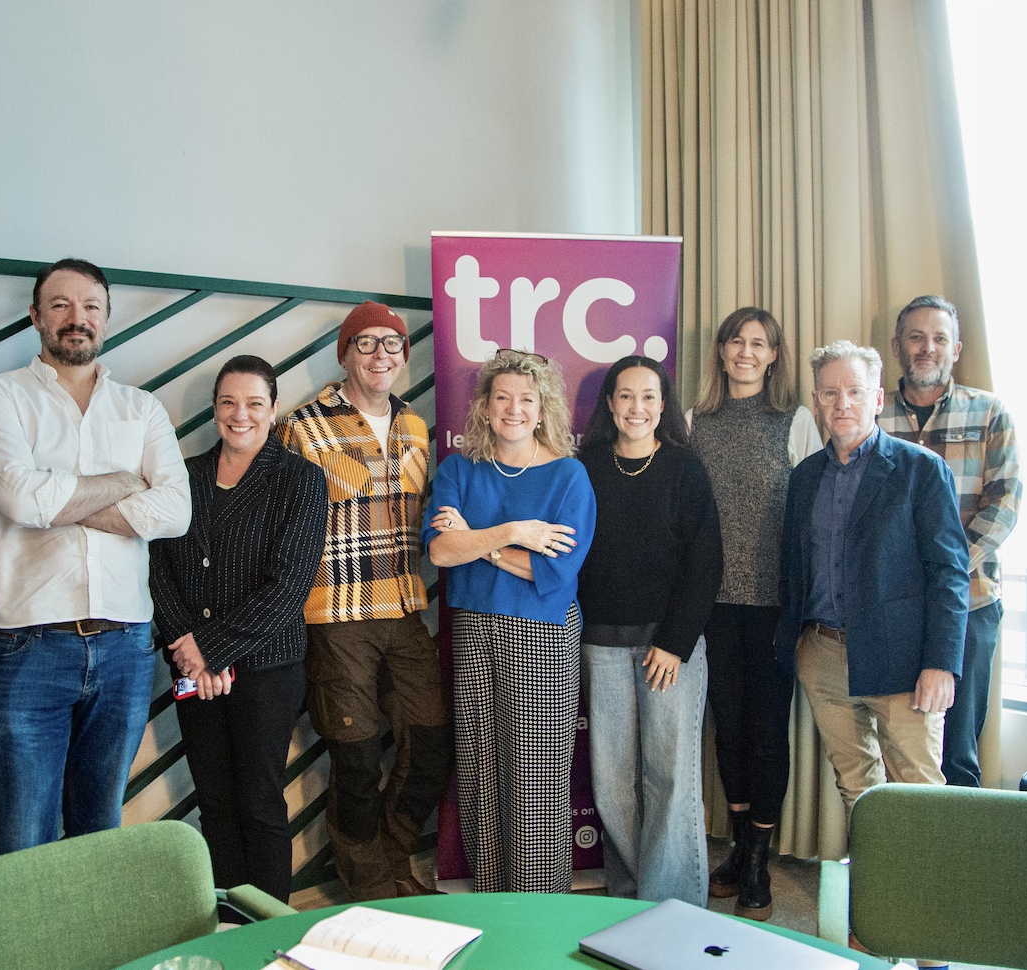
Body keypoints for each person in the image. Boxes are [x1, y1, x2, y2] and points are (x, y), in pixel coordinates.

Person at [0, 258, 190, 856]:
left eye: (91, 306)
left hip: (124, 647)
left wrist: (56, 500)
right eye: (61, 305)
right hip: (26, 648)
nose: (77, 319)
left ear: (107, 318)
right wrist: (124, 480)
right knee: (20, 842)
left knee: (99, 836)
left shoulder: (140, 408)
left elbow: (175, 512)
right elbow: (20, 498)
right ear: (36, 316)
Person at [277, 302, 452, 900]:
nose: (382, 355)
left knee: (429, 745)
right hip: (335, 615)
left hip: (405, 609)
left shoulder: (414, 426)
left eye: (393, 344)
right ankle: (371, 888)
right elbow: (281, 521)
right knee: (354, 760)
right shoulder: (303, 425)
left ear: (405, 356)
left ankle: (391, 859)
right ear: (345, 353)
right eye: (367, 343)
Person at [149, 355, 326, 903]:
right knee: (216, 804)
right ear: (215, 408)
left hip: (266, 671)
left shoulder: (299, 478)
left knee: (259, 802)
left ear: (273, 410)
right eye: (228, 402)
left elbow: (289, 584)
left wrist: (211, 650)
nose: (240, 415)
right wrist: (187, 650)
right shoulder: (185, 474)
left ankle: (271, 925)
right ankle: (228, 919)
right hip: (192, 669)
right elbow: (158, 567)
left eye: (254, 403)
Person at [423, 349, 596, 893]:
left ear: (543, 409)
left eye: (526, 399)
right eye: (502, 398)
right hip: (474, 631)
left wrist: (478, 540)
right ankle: (492, 900)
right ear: (484, 407)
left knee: (537, 776)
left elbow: (556, 571)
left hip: (542, 635)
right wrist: (513, 532)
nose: (514, 409)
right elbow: (442, 553)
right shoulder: (457, 469)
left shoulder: (570, 477)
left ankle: (540, 907)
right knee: (478, 769)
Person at [775, 341, 970, 823]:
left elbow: (949, 573)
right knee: (856, 787)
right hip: (823, 656)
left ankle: (925, 900)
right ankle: (877, 894)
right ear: (817, 400)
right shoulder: (804, 478)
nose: (843, 404)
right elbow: (794, 568)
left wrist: (941, 663)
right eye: (830, 392)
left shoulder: (920, 471)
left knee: (919, 793)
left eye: (855, 391)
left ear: (878, 399)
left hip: (902, 660)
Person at [687, 307, 822, 918]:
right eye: (736, 341)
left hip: (774, 607)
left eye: (758, 343)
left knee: (769, 736)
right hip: (712, 605)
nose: (745, 351)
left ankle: (761, 860)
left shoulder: (795, 421)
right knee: (729, 730)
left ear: (774, 356)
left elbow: (816, 517)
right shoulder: (694, 421)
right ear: (720, 351)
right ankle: (738, 850)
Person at [576, 355, 722, 906]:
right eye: (626, 396)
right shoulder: (584, 468)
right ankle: (633, 895)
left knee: (670, 777)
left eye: (648, 396)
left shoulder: (685, 469)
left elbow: (705, 562)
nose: (637, 408)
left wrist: (675, 643)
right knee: (612, 783)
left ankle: (675, 906)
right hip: (602, 647)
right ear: (610, 404)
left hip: (669, 648)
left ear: (663, 405)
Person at [879, 295, 1021, 788]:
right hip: (892, 610)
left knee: (958, 750)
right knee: (897, 748)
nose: (927, 348)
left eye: (939, 339)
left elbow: (1004, 504)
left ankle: (959, 864)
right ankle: (900, 860)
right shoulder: (873, 416)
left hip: (970, 606)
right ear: (898, 346)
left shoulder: (989, 413)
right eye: (916, 338)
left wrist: (947, 570)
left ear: (956, 349)